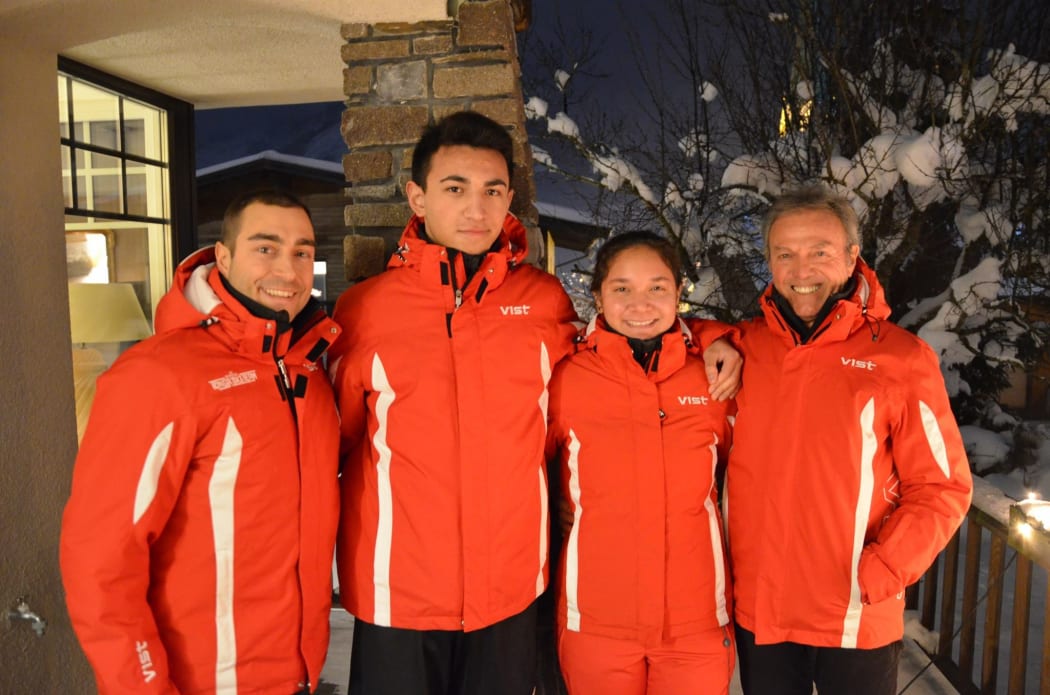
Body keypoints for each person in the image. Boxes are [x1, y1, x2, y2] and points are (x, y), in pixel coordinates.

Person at [327, 110, 740, 695]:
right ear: (417, 198)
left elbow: (627, 338)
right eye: (455, 188)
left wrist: (717, 335)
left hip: (511, 594)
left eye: (492, 191)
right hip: (400, 594)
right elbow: (332, 443)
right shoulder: (365, 312)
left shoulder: (543, 304)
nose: (477, 208)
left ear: (510, 199)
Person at [60, 190, 342, 695]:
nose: (288, 269)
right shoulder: (156, 375)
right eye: (266, 247)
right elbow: (100, 560)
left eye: (302, 251)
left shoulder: (306, 374)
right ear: (224, 257)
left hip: (299, 674)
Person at [726, 184, 973, 695]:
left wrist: (884, 570)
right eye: (785, 254)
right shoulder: (745, 347)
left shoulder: (901, 360)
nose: (802, 270)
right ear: (769, 261)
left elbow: (943, 487)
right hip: (762, 606)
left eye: (820, 251)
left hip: (855, 610)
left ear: (852, 256)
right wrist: (712, 342)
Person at [546, 231, 736, 695]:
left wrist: (721, 336)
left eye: (657, 288)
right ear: (597, 296)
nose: (641, 304)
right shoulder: (565, 376)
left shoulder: (715, 376)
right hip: (595, 620)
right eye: (622, 288)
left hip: (697, 623)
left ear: (678, 294)